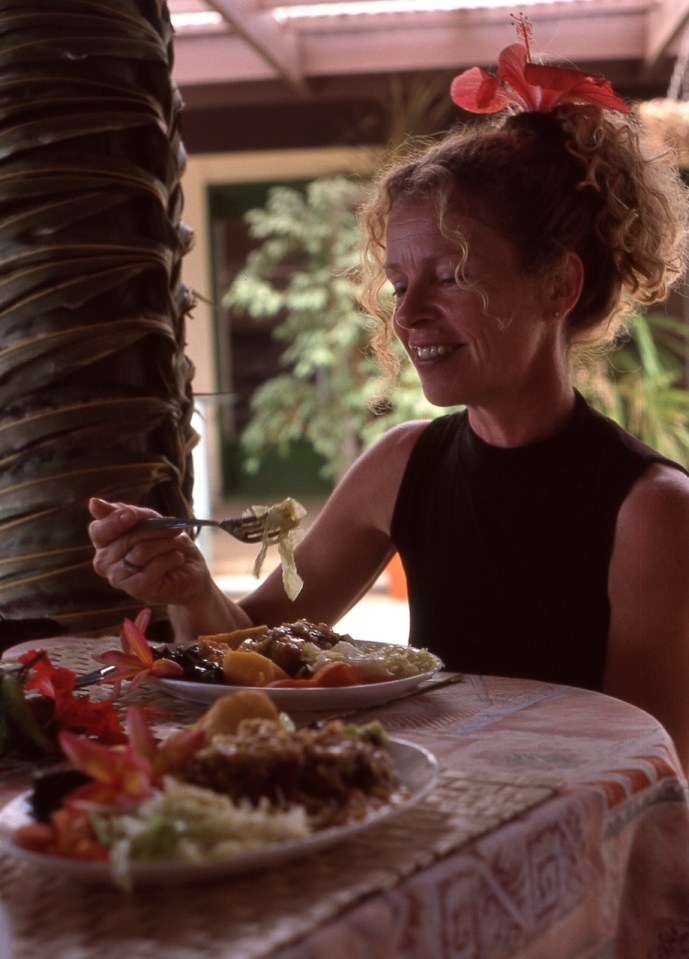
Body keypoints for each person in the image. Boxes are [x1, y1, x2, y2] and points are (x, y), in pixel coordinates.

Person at [89, 20, 689, 769]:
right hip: (424, 813)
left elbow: (649, 769)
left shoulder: (650, 509)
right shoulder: (403, 461)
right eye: (400, 284)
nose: (406, 316)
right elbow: (254, 653)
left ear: (557, 285)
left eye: (450, 275)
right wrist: (189, 582)